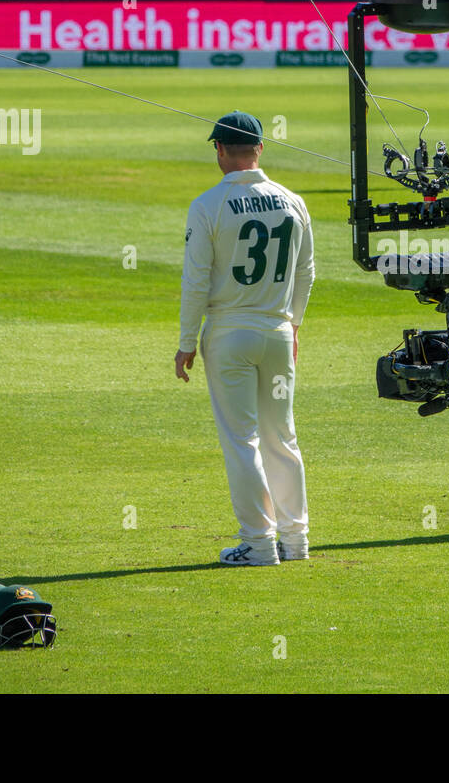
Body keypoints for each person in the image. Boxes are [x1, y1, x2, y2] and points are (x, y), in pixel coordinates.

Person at [175, 110, 315, 567]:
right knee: (282, 438)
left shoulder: (208, 205)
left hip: (230, 335)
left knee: (243, 441)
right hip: (278, 334)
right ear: (260, 148)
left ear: (219, 150)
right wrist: (294, 325)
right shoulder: (293, 201)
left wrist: (186, 342)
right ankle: (295, 540)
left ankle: (258, 544)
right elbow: (306, 272)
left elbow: (196, 280)